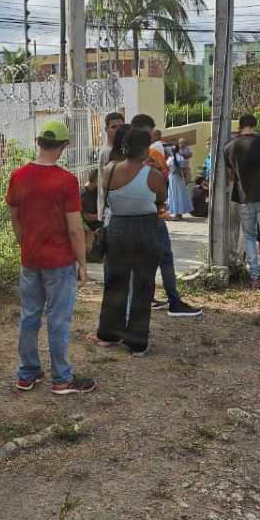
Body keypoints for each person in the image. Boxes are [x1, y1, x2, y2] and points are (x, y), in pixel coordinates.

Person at [6, 120, 97, 394]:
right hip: (59, 261)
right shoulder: (67, 181)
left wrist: (25, 243)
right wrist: (82, 263)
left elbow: (15, 217)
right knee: (58, 319)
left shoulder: (18, 176)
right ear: (63, 147)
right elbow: (75, 228)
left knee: (29, 316)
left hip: (30, 259)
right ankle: (62, 378)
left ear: (38, 143)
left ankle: (28, 373)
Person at [91, 125, 167, 356]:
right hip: (145, 229)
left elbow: (106, 194)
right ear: (145, 150)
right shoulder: (152, 176)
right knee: (143, 285)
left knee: (115, 282)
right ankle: (136, 342)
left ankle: (108, 334)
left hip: (118, 229)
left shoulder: (109, 171)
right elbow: (162, 199)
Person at [131, 114, 202, 317]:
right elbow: (159, 185)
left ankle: (152, 298)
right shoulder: (145, 154)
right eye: (150, 132)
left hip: (145, 214)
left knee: (154, 259)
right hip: (149, 213)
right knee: (163, 258)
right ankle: (171, 301)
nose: (153, 136)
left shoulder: (133, 153)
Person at [226, 114, 260, 289]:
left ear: (240, 126)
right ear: (254, 125)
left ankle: (254, 277)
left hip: (244, 197)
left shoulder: (230, 146)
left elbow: (230, 175)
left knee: (249, 237)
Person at [166, 138, 193, 220]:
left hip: (173, 178)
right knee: (180, 195)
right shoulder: (180, 157)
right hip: (180, 178)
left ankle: (177, 215)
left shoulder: (171, 159)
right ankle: (179, 214)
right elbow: (184, 168)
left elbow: (167, 167)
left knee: (174, 195)